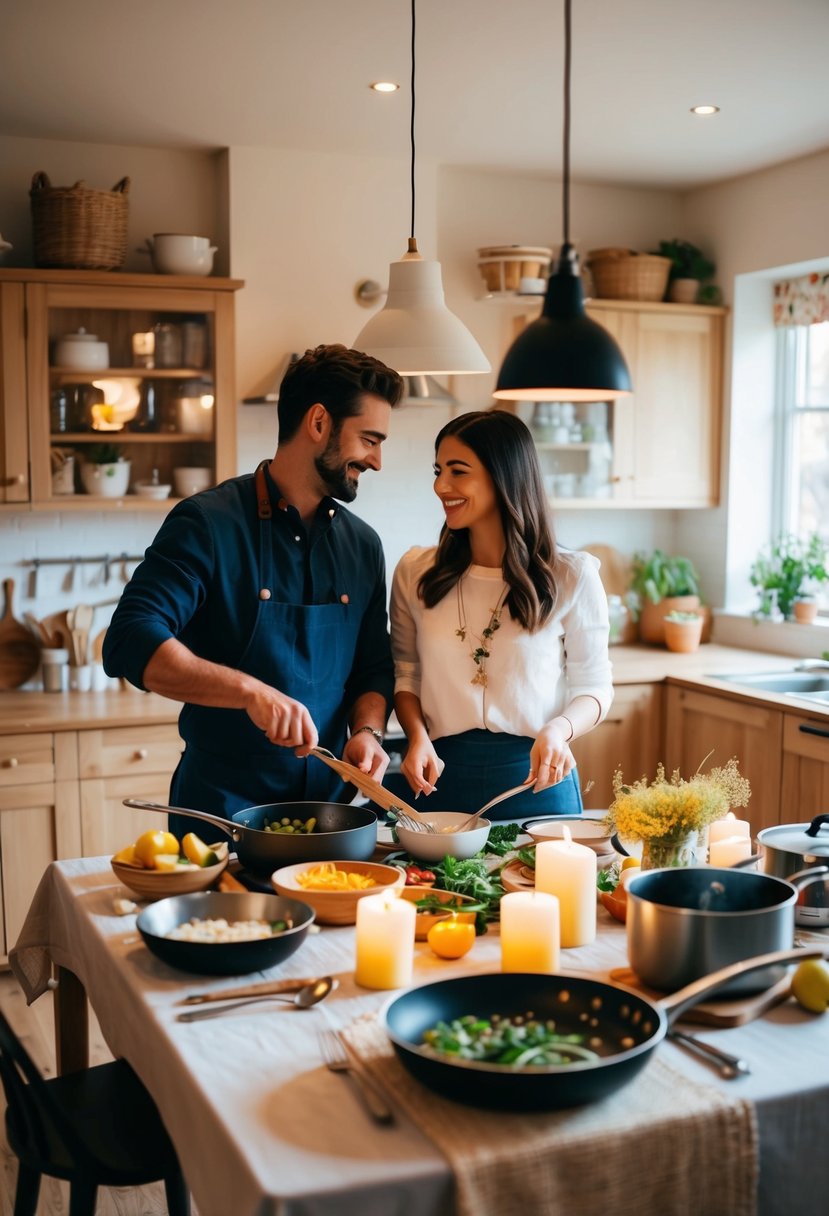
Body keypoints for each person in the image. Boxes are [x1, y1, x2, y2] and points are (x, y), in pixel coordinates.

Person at [103, 344, 404, 830]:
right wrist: (248, 692)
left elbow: (373, 667)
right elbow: (129, 639)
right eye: (369, 439)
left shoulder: (363, 545)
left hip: (331, 818)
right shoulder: (207, 523)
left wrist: (368, 731)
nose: (377, 459)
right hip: (220, 817)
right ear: (319, 423)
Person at [389, 409, 613, 820]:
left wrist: (558, 730)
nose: (441, 486)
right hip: (438, 778)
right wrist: (416, 737)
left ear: (503, 476)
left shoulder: (571, 576)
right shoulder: (414, 573)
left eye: (458, 471)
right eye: (438, 470)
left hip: (536, 778)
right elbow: (406, 675)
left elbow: (596, 687)